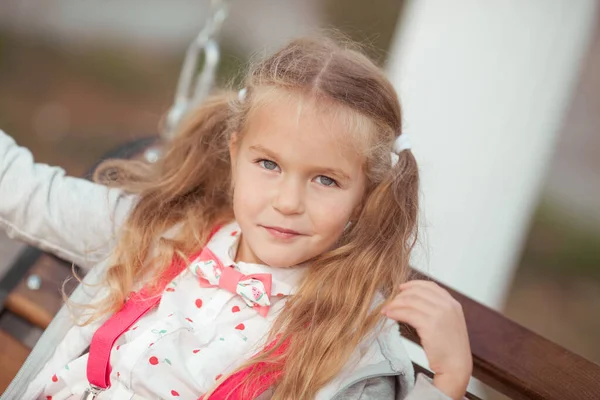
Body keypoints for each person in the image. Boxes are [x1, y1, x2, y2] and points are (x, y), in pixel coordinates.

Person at [0, 36, 472, 400]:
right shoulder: (166, 234)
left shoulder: (350, 340)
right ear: (235, 152)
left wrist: (447, 381)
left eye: (325, 180)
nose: (288, 201)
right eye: (268, 165)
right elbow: (29, 193)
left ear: (366, 195)